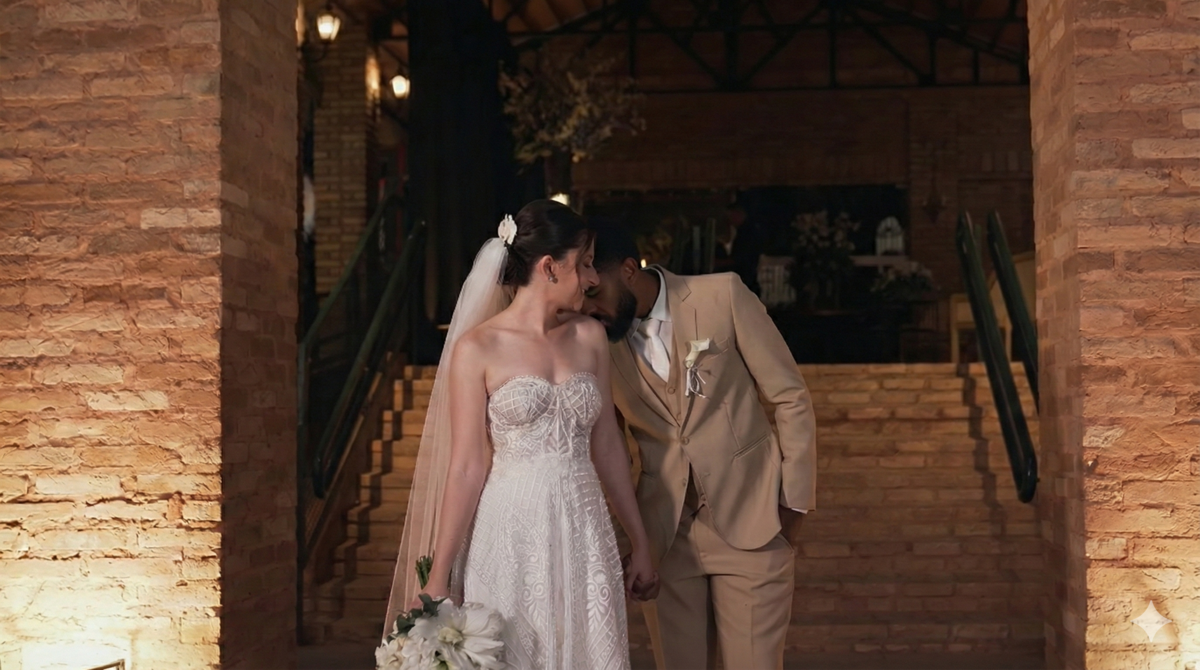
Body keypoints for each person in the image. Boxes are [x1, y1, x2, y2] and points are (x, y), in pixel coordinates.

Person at [383, 201, 659, 669]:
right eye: (585, 263)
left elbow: (609, 447)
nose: (593, 278)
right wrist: (439, 574)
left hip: (585, 527)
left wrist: (640, 540)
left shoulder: (590, 337)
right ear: (550, 267)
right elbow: (467, 466)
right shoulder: (477, 348)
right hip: (509, 532)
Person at [582, 222, 817, 670]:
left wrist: (794, 506)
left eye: (596, 292)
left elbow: (790, 396)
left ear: (629, 269)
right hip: (665, 539)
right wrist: (628, 535)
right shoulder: (597, 342)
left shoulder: (722, 295)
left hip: (754, 523)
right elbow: (606, 447)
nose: (589, 307)